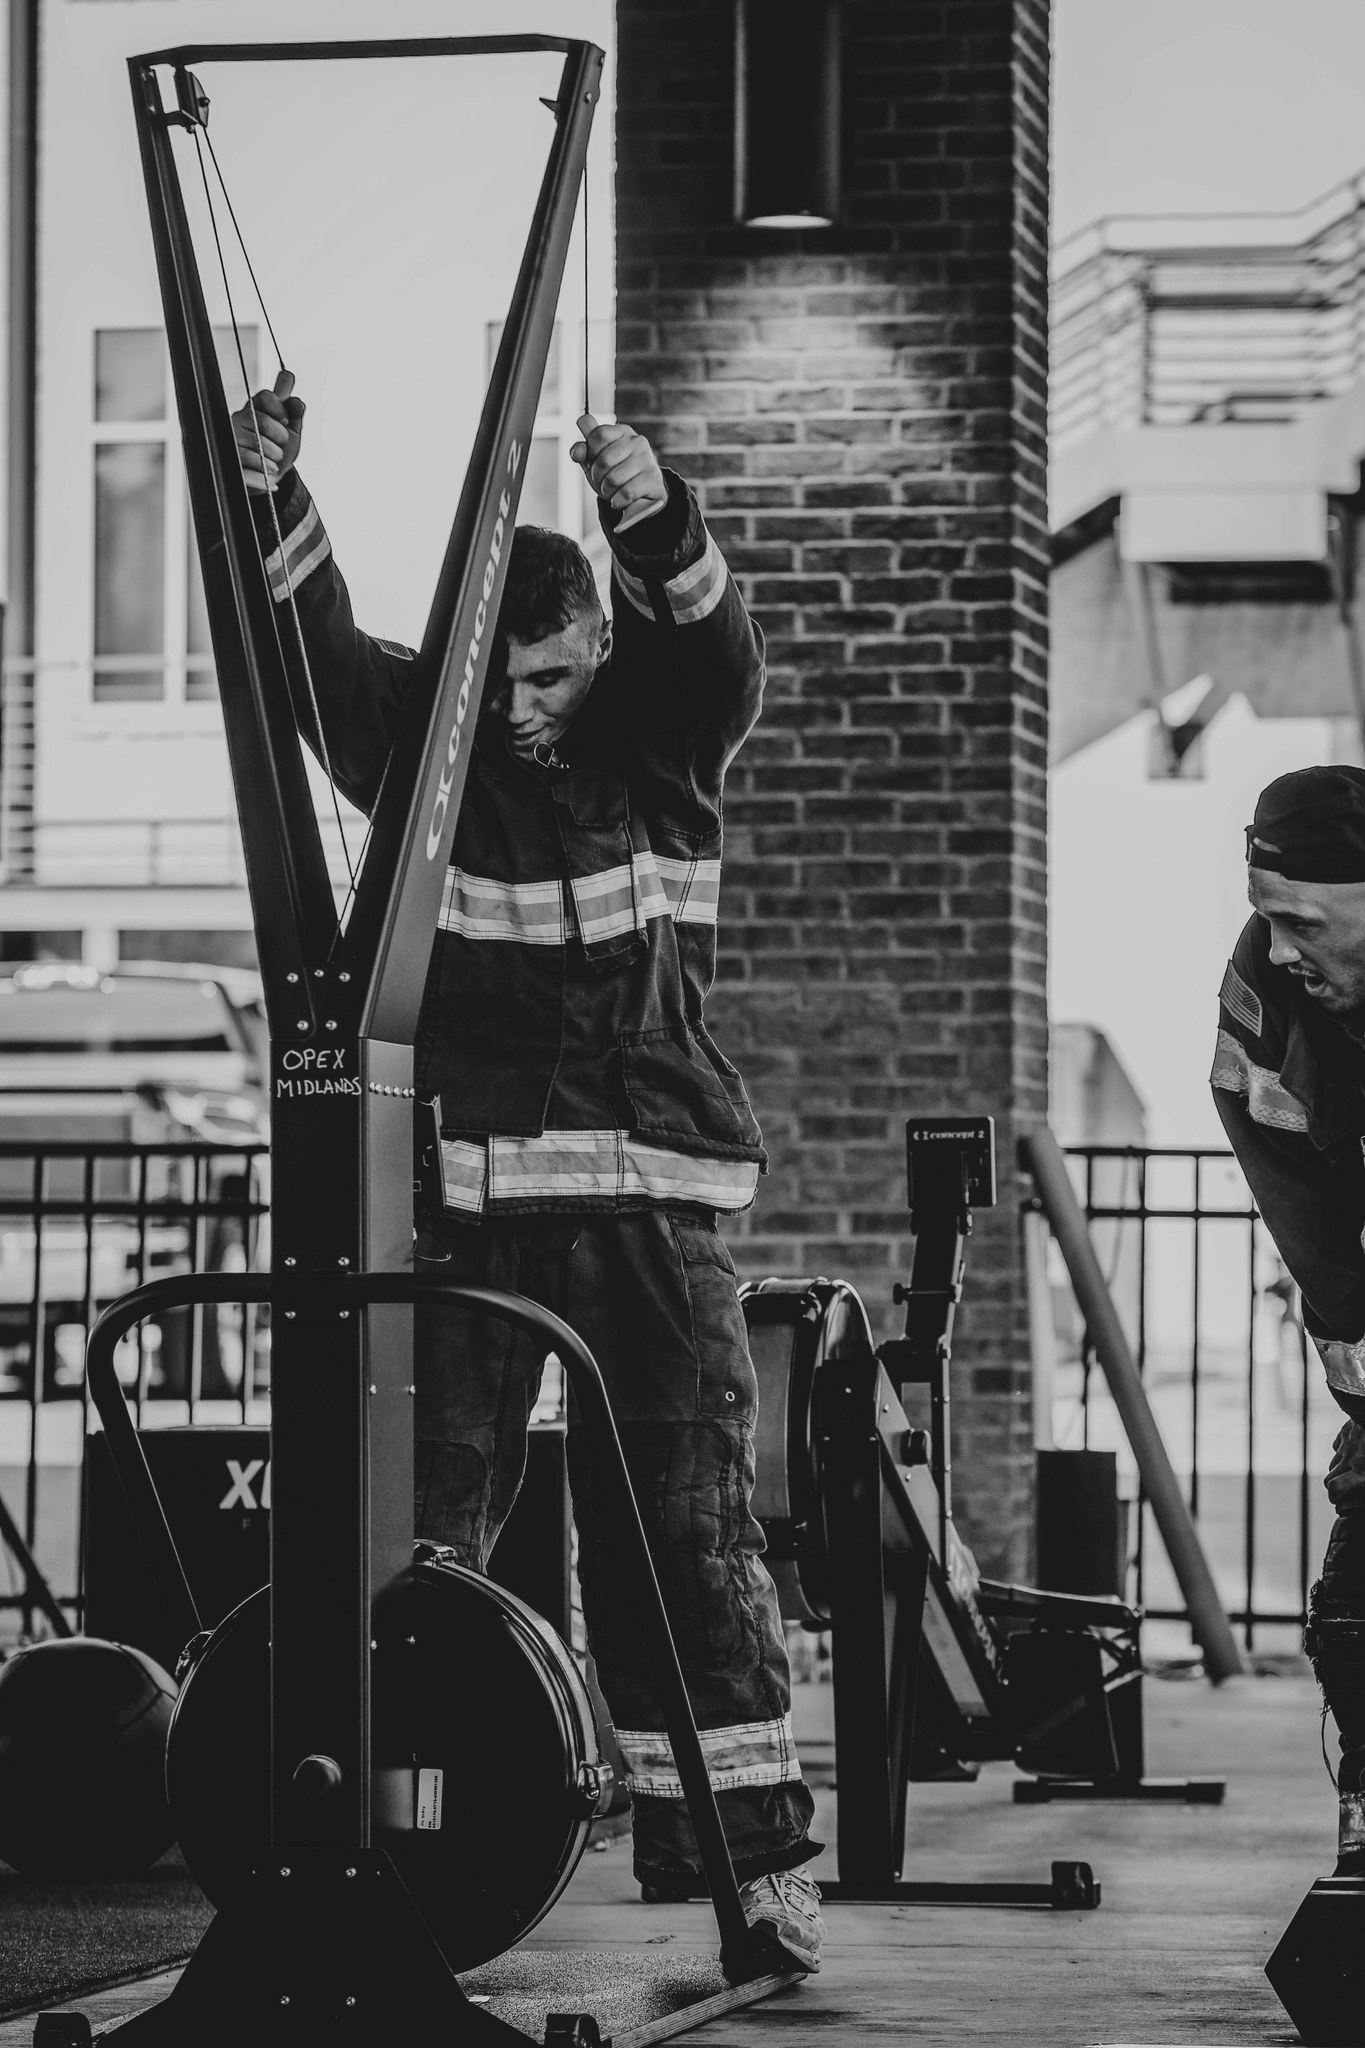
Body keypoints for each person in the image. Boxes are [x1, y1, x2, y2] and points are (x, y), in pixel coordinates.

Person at [232, 373, 824, 1970]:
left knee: (687, 1533)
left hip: (647, 1212)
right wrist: (272, 492)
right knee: (417, 1535)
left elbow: (715, 647)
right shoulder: (426, 748)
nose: (521, 714)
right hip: (477, 1219)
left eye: (552, 678)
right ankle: (399, 1845)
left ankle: (750, 1868)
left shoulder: (666, 741)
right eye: (494, 684)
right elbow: (319, 659)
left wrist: (653, 513)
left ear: (600, 652)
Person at [1212, 764, 1365, 1878]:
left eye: (1303, 921)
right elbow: (1277, 1152)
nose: (1280, 945)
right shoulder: (1266, 979)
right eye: (1267, 914)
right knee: (1353, 1607)